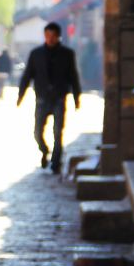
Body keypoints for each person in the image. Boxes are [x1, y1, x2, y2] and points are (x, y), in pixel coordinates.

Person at [17, 22, 83, 173]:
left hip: (59, 98)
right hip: (41, 98)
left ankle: (55, 161)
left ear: (58, 36)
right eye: (47, 35)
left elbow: (73, 77)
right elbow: (27, 76)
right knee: (37, 132)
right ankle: (44, 150)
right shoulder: (36, 54)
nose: (50, 39)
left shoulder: (67, 54)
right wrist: (20, 95)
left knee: (58, 132)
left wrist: (77, 98)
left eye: (53, 36)